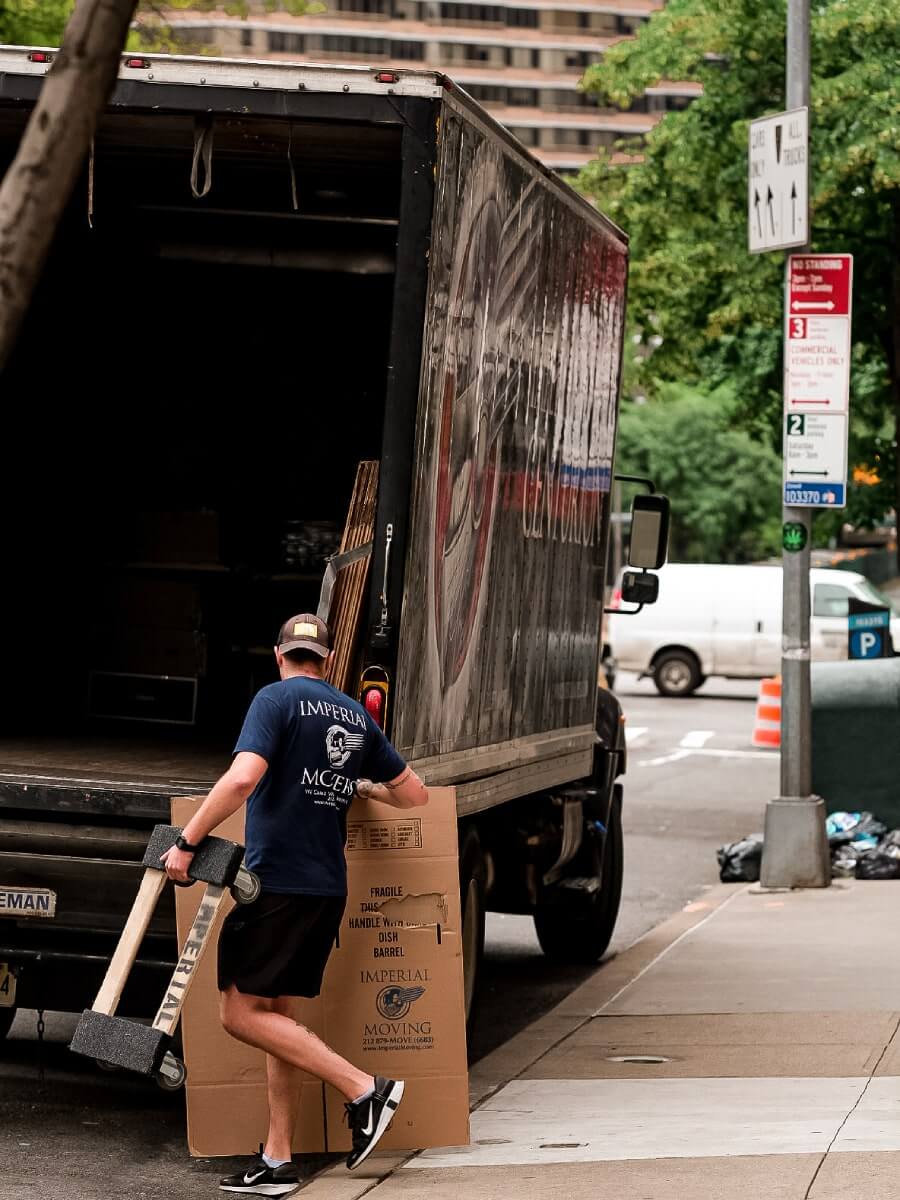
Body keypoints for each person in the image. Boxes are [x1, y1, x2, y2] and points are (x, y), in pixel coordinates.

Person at [161, 612, 428, 1194]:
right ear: (327, 660)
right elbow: (415, 795)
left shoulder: (275, 701)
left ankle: (366, 1089)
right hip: (326, 889)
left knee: (239, 1014)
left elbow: (241, 779)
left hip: (277, 884)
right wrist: (361, 784)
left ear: (280, 655)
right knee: (277, 1019)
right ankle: (279, 1159)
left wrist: (188, 841)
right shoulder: (354, 714)